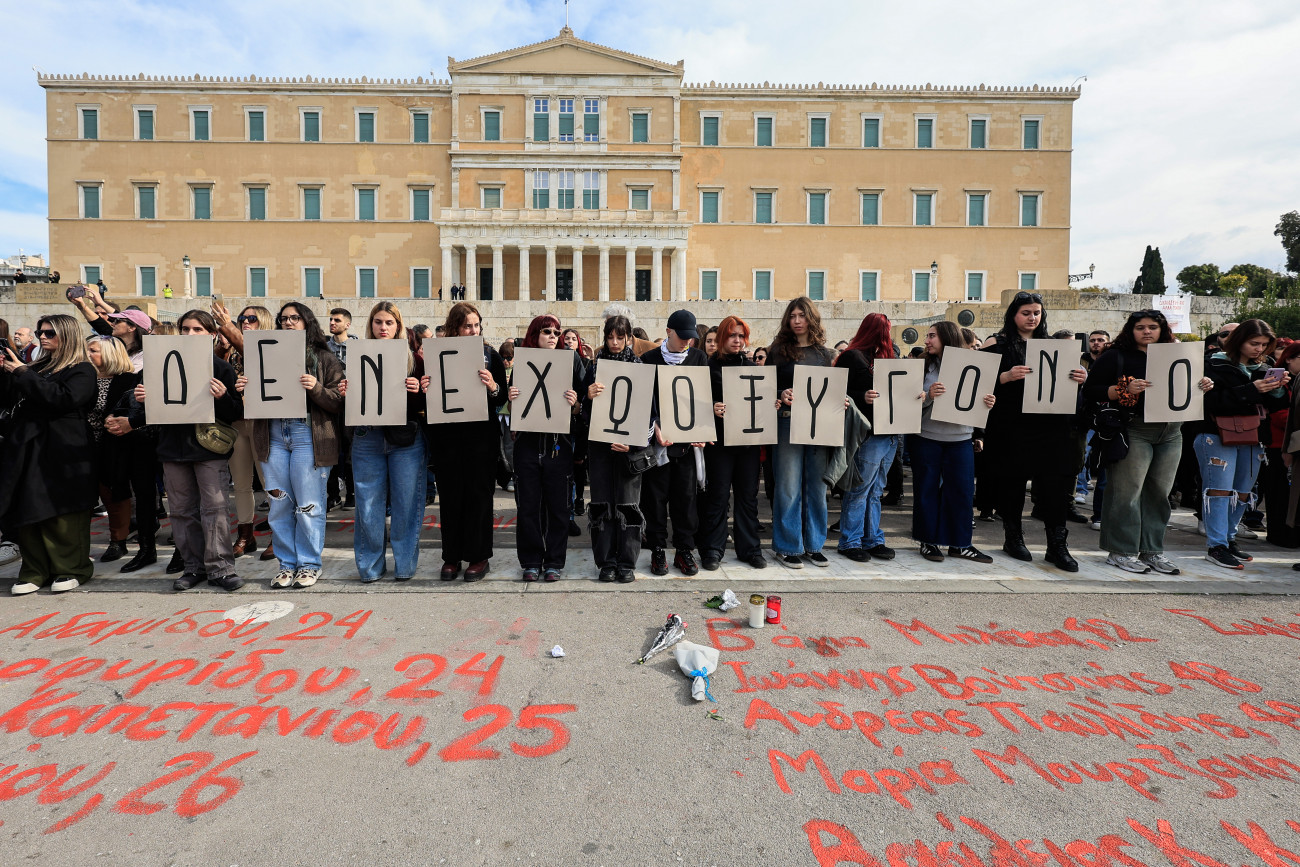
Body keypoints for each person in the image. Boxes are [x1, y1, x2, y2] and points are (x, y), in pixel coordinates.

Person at [1084, 310, 1214, 574]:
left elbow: (1190, 387)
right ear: (1131, 330)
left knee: (1159, 494)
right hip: (1134, 428)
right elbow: (1091, 390)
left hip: (1172, 430)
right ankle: (1121, 551)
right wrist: (1122, 390)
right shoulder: (1115, 355)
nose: (1146, 331)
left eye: (1152, 327)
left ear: (1162, 329)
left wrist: (1204, 384)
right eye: (1140, 327)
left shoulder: (1178, 355)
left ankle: (1152, 551)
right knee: (1127, 492)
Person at [132, 309, 244, 592]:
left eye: (197, 329)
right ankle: (193, 567)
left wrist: (222, 397)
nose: (190, 334)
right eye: (185, 329)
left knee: (215, 509)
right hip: (172, 448)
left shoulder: (221, 368)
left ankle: (221, 568)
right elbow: (152, 411)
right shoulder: (157, 364)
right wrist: (143, 399)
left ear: (212, 334)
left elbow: (235, 413)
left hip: (209, 449)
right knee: (181, 511)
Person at [236, 303, 343, 589]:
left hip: (308, 434)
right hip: (272, 434)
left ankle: (308, 564)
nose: (288, 323)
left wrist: (316, 387)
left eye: (295, 318)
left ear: (307, 322)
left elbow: (338, 401)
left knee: (309, 504)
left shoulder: (323, 357)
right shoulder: (265, 356)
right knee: (279, 505)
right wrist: (246, 387)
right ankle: (286, 565)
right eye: (283, 319)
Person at [982, 292, 1086, 572]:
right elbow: (976, 382)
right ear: (1013, 314)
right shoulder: (998, 343)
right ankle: (1013, 537)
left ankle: (1057, 545)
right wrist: (1004, 376)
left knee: (1055, 486)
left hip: (1051, 425)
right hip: (1012, 425)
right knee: (1013, 484)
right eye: (1026, 312)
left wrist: (1080, 378)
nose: (1032, 317)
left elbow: (1066, 383)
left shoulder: (1054, 346)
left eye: (1037, 313)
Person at [0, 314, 97, 594]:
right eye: (41, 332)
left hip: (64, 447)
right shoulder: (36, 366)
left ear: (67, 335)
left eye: (50, 333)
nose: (43, 337)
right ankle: (35, 570)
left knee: (63, 510)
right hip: (27, 446)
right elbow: (11, 399)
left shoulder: (82, 369)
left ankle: (72, 567)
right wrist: (7, 372)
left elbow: (63, 399)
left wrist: (22, 373)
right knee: (29, 506)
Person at [342, 301, 427, 583]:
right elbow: (355, 402)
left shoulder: (415, 359)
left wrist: (418, 391)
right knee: (368, 505)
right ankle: (370, 567)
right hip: (367, 436)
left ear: (399, 326)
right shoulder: (357, 355)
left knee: (407, 503)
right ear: (371, 325)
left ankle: (404, 565)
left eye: (389, 323)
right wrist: (346, 391)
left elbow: (428, 403)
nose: (383, 327)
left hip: (405, 438)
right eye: (378, 322)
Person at [1194, 319, 1289, 569]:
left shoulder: (1265, 367)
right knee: (1219, 491)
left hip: (1255, 437)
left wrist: (1278, 389)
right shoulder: (1212, 364)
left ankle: (1228, 539)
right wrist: (1252, 388)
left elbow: (1276, 407)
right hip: (1216, 433)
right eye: (1254, 343)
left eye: (1265, 345)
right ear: (1240, 341)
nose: (1259, 349)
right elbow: (1209, 402)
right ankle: (1216, 545)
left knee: (1243, 493)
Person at [424, 302, 507, 582]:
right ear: (455, 328)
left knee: (479, 497)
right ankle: (451, 557)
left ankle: (479, 556)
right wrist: (425, 387)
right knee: (450, 497)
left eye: (476, 325)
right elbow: (429, 397)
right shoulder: (436, 355)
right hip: (447, 437)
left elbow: (503, 398)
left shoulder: (490, 355)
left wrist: (493, 386)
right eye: (467, 325)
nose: (473, 330)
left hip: (480, 437)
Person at [912, 321, 996, 563]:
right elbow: (907, 406)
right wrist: (929, 397)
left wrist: (987, 403)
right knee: (926, 491)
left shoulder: (973, 364)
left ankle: (960, 544)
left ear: (947, 337)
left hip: (960, 439)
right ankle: (928, 542)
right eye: (927, 336)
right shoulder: (923, 367)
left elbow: (976, 401)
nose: (927, 340)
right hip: (927, 438)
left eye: (932, 336)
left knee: (961, 492)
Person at [507, 315, 583, 582]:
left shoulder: (570, 361)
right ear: (534, 335)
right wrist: (511, 398)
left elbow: (583, 402)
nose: (553, 336)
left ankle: (553, 562)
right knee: (528, 506)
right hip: (528, 443)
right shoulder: (523, 363)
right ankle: (530, 561)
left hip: (558, 444)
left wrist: (575, 403)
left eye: (557, 332)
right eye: (547, 331)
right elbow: (512, 408)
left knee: (558, 508)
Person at [640, 309, 709, 576]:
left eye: (690, 337)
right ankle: (657, 549)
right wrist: (654, 426)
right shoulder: (648, 360)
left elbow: (702, 397)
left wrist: (702, 429)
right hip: (659, 443)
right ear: (668, 332)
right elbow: (643, 401)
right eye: (682, 337)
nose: (687, 342)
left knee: (686, 499)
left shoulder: (699, 358)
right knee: (655, 499)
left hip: (687, 444)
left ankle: (684, 549)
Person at [768, 297, 836, 569]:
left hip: (819, 424)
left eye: (802, 315)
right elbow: (764, 388)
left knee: (817, 487)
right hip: (786, 422)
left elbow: (832, 390)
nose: (797, 320)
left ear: (811, 319)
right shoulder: (778, 351)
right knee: (787, 486)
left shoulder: (826, 355)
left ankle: (814, 545)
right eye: (792, 315)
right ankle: (787, 546)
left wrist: (839, 401)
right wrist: (779, 393)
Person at [583, 315, 648, 582]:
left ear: (629, 338)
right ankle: (605, 561)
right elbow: (582, 416)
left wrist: (632, 442)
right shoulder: (595, 367)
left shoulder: (639, 366)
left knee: (628, 505)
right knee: (601, 504)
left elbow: (649, 413)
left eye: (620, 337)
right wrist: (588, 397)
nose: (614, 342)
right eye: (610, 337)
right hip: (599, 447)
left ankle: (627, 561)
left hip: (627, 449)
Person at [834, 313, 901, 563]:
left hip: (889, 432)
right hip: (871, 433)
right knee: (861, 490)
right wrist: (861, 396)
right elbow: (837, 389)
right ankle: (851, 540)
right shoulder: (853, 356)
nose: (888, 333)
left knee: (875, 490)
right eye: (886, 329)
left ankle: (872, 538)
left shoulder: (884, 358)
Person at [700, 315, 765, 570]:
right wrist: (711, 409)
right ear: (723, 337)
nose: (737, 340)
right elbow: (694, 404)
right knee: (717, 497)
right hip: (720, 444)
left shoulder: (752, 367)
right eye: (732, 335)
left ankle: (749, 549)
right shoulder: (708, 367)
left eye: (741, 336)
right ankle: (712, 549)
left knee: (748, 497)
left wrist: (771, 402)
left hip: (747, 444)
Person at [212, 301, 274, 560]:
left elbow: (256, 355)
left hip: (262, 422)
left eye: (252, 318)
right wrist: (221, 347)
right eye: (242, 319)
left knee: (270, 483)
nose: (245, 322)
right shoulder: (233, 350)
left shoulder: (271, 345)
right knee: (240, 484)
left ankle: (278, 535)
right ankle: (245, 535)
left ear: (265, 322)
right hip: (237, 421)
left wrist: (227, 327)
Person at [86, 335, 141, 564]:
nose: (87, 355)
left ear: (109, 353)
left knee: (114, 492)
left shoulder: (128, 379)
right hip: (85, 445)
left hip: (117, 444)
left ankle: (117, 541)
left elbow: (135, 408)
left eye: (93, 350)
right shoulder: (83, 378)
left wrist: (118, 417)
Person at [326, 308, 357, 510]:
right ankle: (333, 494)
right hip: (329, 401)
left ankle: (352, 493)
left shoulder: (358, 346)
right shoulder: (323, 348)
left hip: (352, 403)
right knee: (330, 448)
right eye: (330, 319)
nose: (332, 323)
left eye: (337, 320)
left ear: (347, 324)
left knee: (350, 448)